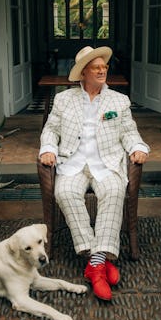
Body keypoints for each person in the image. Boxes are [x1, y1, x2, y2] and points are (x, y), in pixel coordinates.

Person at [39, 46, 149, 300]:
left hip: (106, 162)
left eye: (104, 67)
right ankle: (99, 259)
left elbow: (129, 132)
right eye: (96, 67)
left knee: (114, 190)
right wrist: (47, 149)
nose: (102, 71)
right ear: (83, 73)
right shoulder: (64, 99)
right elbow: (50, 129)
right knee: (64, 192)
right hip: (73, 162)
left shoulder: (118, 101)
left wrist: (138, 147)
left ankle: (94, 266)